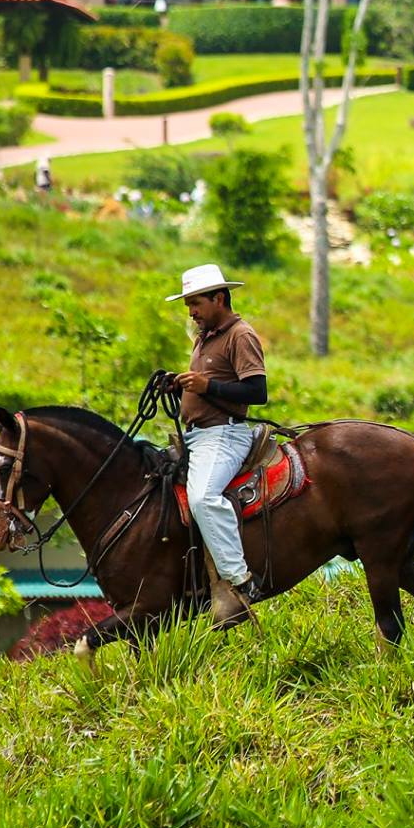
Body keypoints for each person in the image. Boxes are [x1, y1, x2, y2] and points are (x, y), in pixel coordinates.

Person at [165, 263, 268, 628]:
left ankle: (239, 580)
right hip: (198, 436)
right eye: (188, 304)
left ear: (219, 298)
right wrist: (181, 386)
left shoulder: (240, 335)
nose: (191, 311)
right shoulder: (205, 336)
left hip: (224, 435)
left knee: (203, 497)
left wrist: (207, 387)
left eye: (196, 303)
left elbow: (258, 392)